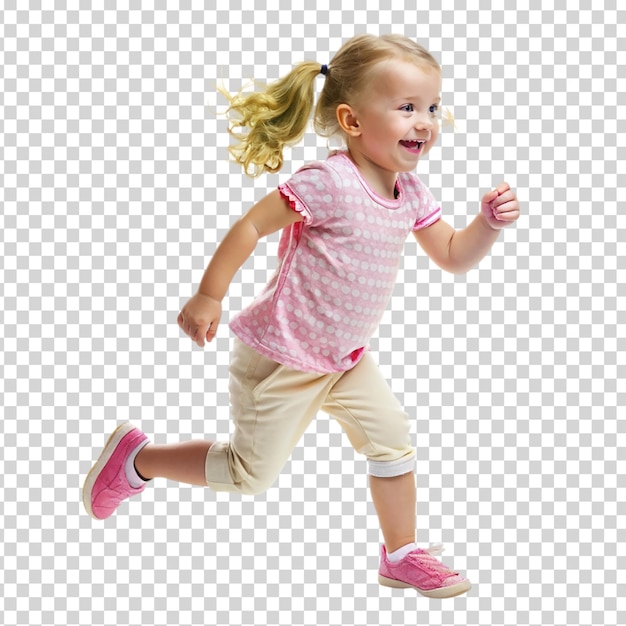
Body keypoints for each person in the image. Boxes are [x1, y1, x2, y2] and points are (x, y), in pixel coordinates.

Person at [83, 33, 520, 598]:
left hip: (344, 359)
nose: (425, 122)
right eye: (407, 107)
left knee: (392, 440)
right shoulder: (329, 182)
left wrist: (487, 223)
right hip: (283, 355)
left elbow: (454, 255)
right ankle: (139, 459)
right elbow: (250, 226)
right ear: (352, 120)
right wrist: (209, 295)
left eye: (432, 108)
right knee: (249, 475)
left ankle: (402, 552)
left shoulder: (411, 191)